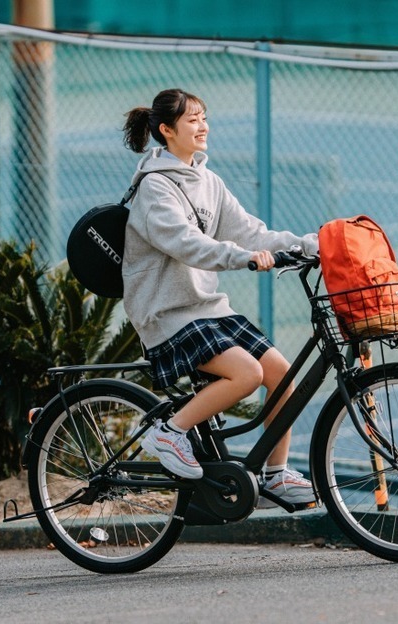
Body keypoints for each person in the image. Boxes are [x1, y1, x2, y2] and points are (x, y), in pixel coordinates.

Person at [121, 88, 318, 506]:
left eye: (204, 117)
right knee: (246, 374)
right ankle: (169, 433)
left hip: (204, 307)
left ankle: (275, 475)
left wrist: (307, 245)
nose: (203, 125)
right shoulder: (155, 188)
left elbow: (250, 231)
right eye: (192, 119)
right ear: (166, 130)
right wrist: (244, 258)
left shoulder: (208, 181)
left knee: (281, 374)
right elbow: (187, 244)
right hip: (166, 312)